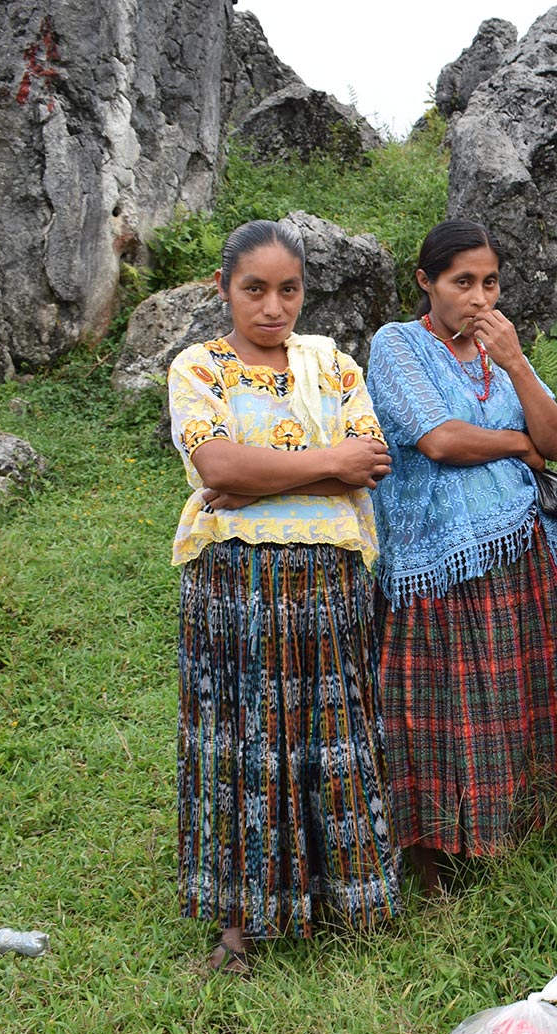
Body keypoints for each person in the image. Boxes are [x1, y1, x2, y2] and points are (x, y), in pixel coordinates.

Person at [167, 219, 401, 975]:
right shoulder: (198, 368)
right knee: (247, 749)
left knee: (330, 738)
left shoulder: (330, 364)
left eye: (289, 289)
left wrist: (262, 474)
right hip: (233, 587)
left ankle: (347, 903)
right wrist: (324, 463)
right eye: (255, 289)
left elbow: (369, 463)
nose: (274, 307)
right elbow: (214, 461)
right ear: (223, 289)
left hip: (329, 580)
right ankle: (241, 927)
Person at [366, 220, 557, 895]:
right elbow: (438, 440)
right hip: (438, 556)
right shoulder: (398, 345)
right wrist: (514, 444)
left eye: (489, 282)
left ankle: (523, 825)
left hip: (521, 549)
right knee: (447, 705)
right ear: (425, 283)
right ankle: (436, 850)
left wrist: (519, 364)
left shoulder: (501, 352)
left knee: (519, 693)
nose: (479, 296)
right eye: (462, 281)